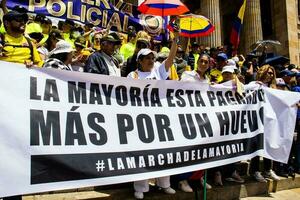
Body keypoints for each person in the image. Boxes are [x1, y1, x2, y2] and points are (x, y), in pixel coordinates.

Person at [128, 31, 179, 199]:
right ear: (140, 61)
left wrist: (176, 39)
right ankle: (141, 187)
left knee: (163, 151)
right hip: (140, 119)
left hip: (159, 118)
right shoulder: (132, 76)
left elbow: (170, 60)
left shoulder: (158, 72)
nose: (151, 60)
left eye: (153, 58)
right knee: (141, 153)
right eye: (148, 58)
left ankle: (164, 184)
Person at [176, 54, 212, 193]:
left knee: (202, 149)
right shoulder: (187, 75)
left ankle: (198, 177)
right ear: (197, 62)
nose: (203, 64)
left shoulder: (207, 80)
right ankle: (183, 179)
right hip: (188, 117)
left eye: (206, 62)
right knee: (189, 149)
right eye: (201, 61)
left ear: (209, 65)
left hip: (202, 119)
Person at [250, 64, 280, 182]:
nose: (271, 75)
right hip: (257, 120)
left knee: (268, 145)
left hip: (270, 121)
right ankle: (255, 171)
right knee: (257, 146)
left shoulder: (273, 88)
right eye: (268, 72)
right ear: (262, 72)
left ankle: (268, 170)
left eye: (272, 73)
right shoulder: (255, 85)